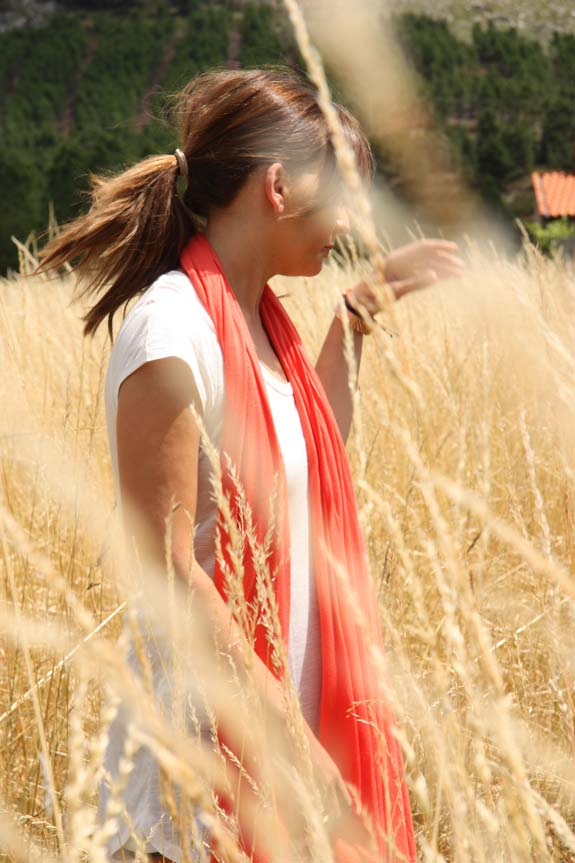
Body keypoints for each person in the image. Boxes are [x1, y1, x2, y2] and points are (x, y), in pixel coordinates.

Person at [38, 67, 464, 863]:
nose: (350, 219)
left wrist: (355, 317)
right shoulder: (171, 334)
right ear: (277, 186)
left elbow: (303, 458)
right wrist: (294, 741)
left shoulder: (262, 325)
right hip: (197, 780)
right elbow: (171, 572)